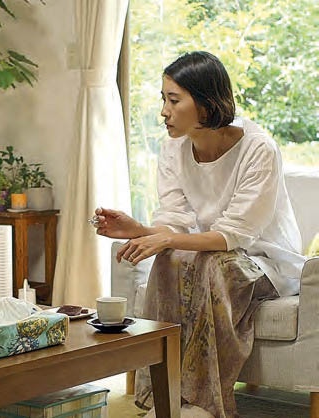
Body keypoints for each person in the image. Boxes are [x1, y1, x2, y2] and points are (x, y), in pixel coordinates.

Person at [93, 51, 305, 418]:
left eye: (174, 100)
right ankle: (165, 399)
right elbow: (175, 221)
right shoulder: (172, 149)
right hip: (211, 254)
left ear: (206, 104)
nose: (164, 111)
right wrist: (140, 230)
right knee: (170, 259)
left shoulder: (258, 149)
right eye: (163, 99)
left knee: (214, 266)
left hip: (266, 262)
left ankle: (205, 404)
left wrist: (167, 239)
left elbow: (233, 235)